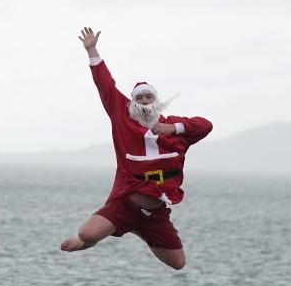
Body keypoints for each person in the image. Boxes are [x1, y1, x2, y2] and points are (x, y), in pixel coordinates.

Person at [59, 27, 212, 270]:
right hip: (125, 206)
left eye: (148, 97)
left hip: (155, 213)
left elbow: (206, 125)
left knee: (178, 264)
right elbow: (106, 86)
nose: (144, 102)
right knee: (87, 234)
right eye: (139, 98)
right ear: (132, 102)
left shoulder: (173, 129)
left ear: (156, 101)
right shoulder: (123, 120)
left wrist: (174, 129)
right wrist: (92, 50)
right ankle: (92, 239)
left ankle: (140, 230)